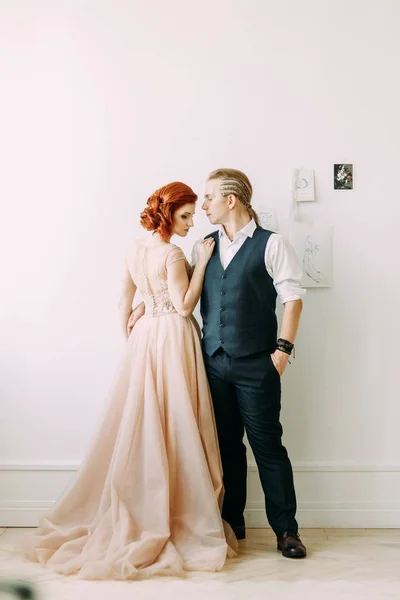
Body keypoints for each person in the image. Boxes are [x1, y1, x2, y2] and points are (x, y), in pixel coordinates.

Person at [24, 182, 237, 580]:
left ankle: (153, 499)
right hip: (174, 336)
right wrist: (203, 262)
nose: (192, 223)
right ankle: (178, 509)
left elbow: (124, 301)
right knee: (176, 419)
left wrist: (135, 336)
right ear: (168, 213)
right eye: (185, 216)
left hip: (144, 341)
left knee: (148, 419)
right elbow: (185, 304)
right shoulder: (173, 252)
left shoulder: (133, 249)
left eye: (193, 215)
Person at [197, 168, 307, 559]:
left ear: (232, 200)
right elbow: (183, 290)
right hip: (214, 364)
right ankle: (232, 523)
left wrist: (282, 351)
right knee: (226, 446)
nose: (202, 204)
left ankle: (287, 531)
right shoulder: (204, 245)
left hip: (258, 364)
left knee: (267, 447)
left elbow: (292, 299)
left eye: (208, 196)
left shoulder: (272, 244)